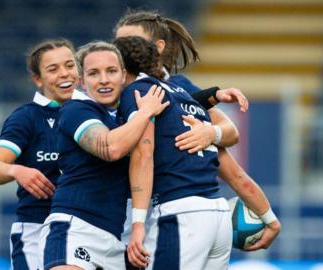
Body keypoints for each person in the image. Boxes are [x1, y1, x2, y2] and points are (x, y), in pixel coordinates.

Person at [114, 10, 281, 258]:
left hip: (172, 212)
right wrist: (270, 218)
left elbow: (229, 133)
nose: (118, 51)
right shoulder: (181, 97)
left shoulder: (152, 91)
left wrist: (209, 133)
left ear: (157, 47)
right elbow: (232, 170)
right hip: (210, 212)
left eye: (129, 43)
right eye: (116, 43)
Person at [37, 41, 169, 270]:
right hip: (75, 228)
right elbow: (110, 148)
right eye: (93, 73)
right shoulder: (75, 110)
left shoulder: (123, 118)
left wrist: (211, 121)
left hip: (115, 239)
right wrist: (146, 111)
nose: (104, 80)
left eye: (111, 71)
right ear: (81, 81)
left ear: (123, 75)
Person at [0, 39, 84, 270]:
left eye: (69, 65)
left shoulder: (94, 111)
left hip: (85, 230)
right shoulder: (27, 117)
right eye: (53, 69)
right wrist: (17, 170)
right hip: (36, 228)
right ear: (38, 80)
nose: (64, 74)